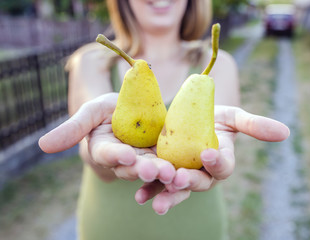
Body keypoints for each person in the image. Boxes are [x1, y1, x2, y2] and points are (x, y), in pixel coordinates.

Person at [39, 0, 290, 239]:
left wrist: (210, 166)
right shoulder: (90, 62)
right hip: (109, 229)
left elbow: (215, 163)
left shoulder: (220, 64)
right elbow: (91, 151)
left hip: (196, 231)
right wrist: (97, 148)